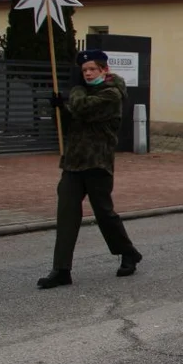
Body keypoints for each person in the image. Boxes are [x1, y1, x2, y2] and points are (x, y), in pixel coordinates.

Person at [37, 50, 143, 289]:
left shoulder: (112, 94)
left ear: (104, 70)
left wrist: (73, 93)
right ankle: (61, 269)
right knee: (66, 214)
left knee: (104, 213)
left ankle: (128, 253)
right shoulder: (82, 93)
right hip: (73, 162)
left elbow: (84, 109)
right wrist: (59, 110)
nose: (87, 73)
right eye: (84, 70)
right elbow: (71, 123)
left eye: (92, 69)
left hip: (98, 162)